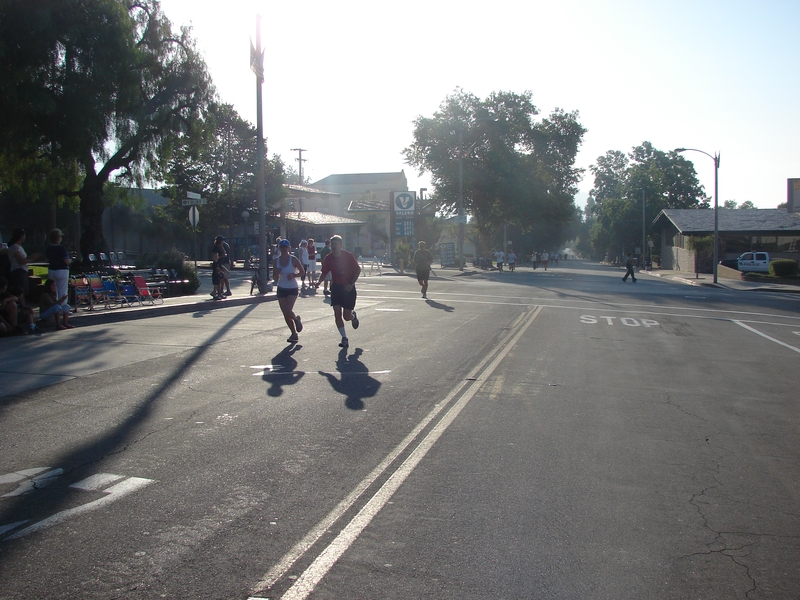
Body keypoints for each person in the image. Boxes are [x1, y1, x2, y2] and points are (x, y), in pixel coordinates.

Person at [315, 235, 361, 348]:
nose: (334, 246)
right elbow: (324, 272)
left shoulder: (348, 256)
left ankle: (353, 317)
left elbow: (357, 270)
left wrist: (351, 284)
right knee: (337, 313)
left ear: (341, 245)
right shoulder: (328, 258)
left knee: (346, 316)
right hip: (336, 288)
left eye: (336, 244)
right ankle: (344, 338)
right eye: (332, 244)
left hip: (348, 288)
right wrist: (318, 282)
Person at [273, 239, 306, 343]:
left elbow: (302, 272)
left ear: (289, 248)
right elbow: (274, 278)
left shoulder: (293, 259)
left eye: (285, 247)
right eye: (281, 247)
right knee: (285, 313)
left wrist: (294, 275)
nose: (283, 249)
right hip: (281, 287)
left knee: (288, 310)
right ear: (279, 248)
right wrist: (276, 273)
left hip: (292, 288)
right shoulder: (276, 260)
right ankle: (294, 333)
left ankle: (296, 319)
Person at [7, 228, 41, 297]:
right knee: (20, 292)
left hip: (23, 270)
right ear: (21, 236)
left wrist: (31, 257)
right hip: (18, 271)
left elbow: (25, 258)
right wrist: (32, 259)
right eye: (24, 235)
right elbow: (22, 260)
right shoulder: (14, 247)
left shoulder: (20, 247)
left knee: (23, 292)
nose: (25, 237)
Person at [45, 229, 71, 310]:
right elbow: (66, 261)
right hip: (62, 270)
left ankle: (55, 306)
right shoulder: (61, 248)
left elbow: (47, 259)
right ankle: (63, 307)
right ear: (58, 238)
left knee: (53, 290)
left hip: (52, 269)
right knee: (62, 289)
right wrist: (71, 261)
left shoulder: (49, 247)